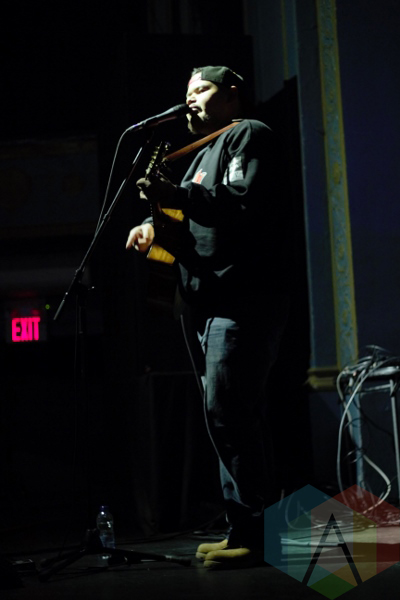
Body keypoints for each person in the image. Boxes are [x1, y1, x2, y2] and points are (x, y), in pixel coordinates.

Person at [126, 66, 293, 569]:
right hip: (204, 302)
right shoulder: (199, 156)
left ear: (231, 94)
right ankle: (245, 527)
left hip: (243, 298)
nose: (191, 99)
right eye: (187, 92)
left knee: (228, 409)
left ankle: (260, 535)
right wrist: (153, 225)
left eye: (201, 89)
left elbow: (240, 202)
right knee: (225, 415)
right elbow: (189, 219)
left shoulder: (248, 134)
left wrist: (173, 196)